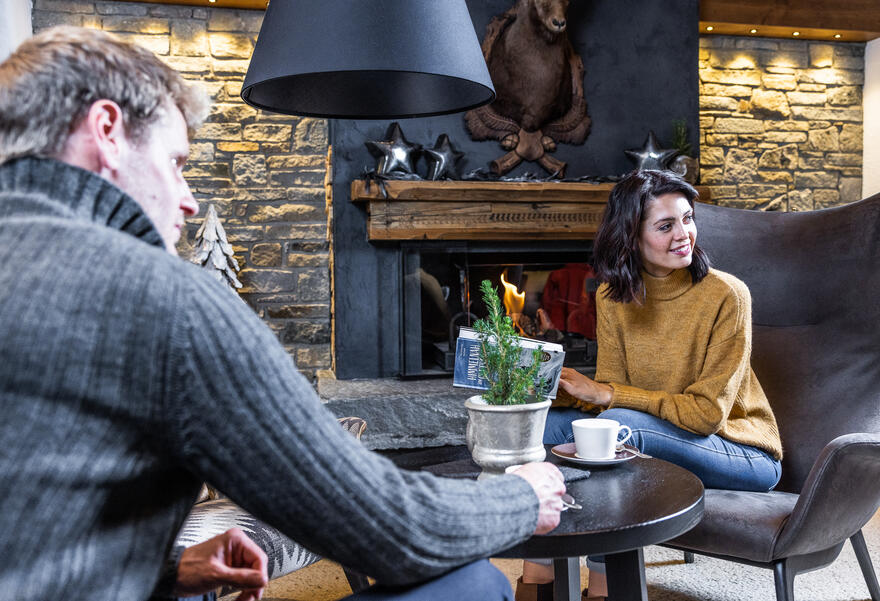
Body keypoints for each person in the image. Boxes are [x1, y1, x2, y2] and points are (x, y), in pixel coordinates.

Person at [0, 26, 567, 601]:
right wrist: (522, 496)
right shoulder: (160, 298)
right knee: (472, 583)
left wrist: (167, 567)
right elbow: (388, 527)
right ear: (106, 131)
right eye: (175, 162)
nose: (189, 197)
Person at [527, 169, 784, 599]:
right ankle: (540, 580)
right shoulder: (612, 297)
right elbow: (613, 392)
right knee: (541, 431)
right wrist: (566, 391)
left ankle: (607, 589)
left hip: (741, 452)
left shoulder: (726, 295)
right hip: (650, 430)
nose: (684, 234)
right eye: (666, 225)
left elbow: (705, 415)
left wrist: (608, 396)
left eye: (687, 219)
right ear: (631, 236)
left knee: (618, 429)